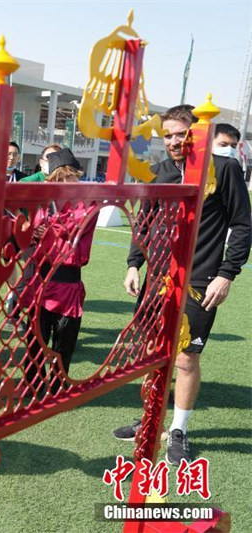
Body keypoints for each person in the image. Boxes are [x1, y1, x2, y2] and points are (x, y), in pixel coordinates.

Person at [115, 111, 252, 464]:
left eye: (181, 134)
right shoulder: (160, 172)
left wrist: (227, 273)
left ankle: (178, 429)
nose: (175, 141)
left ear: (198, 133)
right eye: (168, 136)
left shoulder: (224, 169)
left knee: (186, 359)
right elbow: (144, 221)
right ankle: (150, 417)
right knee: (150, 353)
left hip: (200, 281)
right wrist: (134, 264)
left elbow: (241, 224)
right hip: (157, 280)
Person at [20, 149, 97, 395]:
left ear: (78, 176)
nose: (66, 184)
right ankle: (33, 383)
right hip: (40, 279)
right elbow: (32, 232)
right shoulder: (44, 202)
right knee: (35, 339)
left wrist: (47, 229)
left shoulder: (88, 203)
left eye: (70, 177)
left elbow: (73, 230)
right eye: (60, 179)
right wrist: (33, 231)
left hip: (67, 283)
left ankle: (58, 384)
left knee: (64, 341)